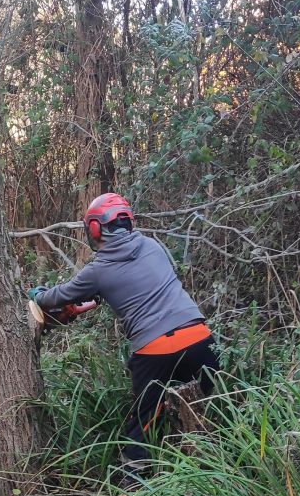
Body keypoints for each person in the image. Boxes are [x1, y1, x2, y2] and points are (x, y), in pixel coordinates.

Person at [28, 193, 219, 477]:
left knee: (143, 422)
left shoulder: (98, 270)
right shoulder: (153, 246)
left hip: (156, 351)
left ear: (94, 229)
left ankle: (132, 487)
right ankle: (213, 466)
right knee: (212, 406)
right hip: (200, 338)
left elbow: (59, 296)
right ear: (128, 221)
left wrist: (39, 295)